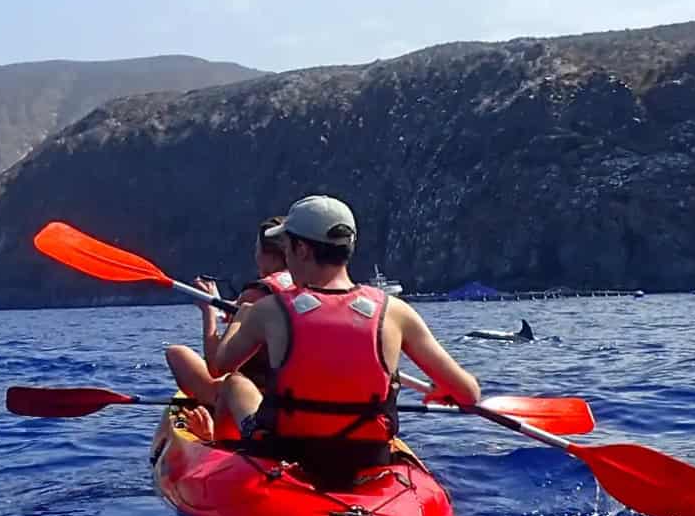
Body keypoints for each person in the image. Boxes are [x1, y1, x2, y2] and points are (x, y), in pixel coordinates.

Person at [187, 194, 481, 486]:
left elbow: (220, 366)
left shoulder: (269, 311)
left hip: (286, 451)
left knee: (236, 384)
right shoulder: (396, 312)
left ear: (301, 249)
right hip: (368, 457)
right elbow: (469, 394)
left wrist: (240, 319)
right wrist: (444, 388)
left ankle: (221, 453)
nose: (285, 256)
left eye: (287, 246)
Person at [163, 217, 292, 408]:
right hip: (291, 391)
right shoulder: (308, 285)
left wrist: (208, 311)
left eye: (258, 249)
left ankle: (216, 403)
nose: (256, 256)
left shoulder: (255, 294)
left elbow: (216, 366)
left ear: (270, 256)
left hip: (253, 395)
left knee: (177, 354)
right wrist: (221, 304)